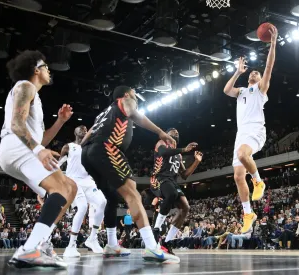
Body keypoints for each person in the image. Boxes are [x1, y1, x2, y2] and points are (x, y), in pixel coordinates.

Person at [80, 85, 180, 263]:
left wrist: (83, 153)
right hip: (107, 149)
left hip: (88, 154)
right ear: (126, 95)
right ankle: (152, 247)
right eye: (134, 94)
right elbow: (134, 114)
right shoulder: (125, 101)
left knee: (111, 198)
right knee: (132, 193)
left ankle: (111, 244)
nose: (136, 98)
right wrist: (159, 132)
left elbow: (88, 134)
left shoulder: (103, 113)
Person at [0, 50, 77, 268]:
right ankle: (30, 249)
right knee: (61, 188)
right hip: (16, 146)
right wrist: (38, 151)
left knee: (70, 188)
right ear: (36, 70)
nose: (49, 70)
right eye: (46, 67)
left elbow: (40, 138)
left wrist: (60, 122)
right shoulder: (26, 86)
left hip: (17, 150)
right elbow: (16, 124)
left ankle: (41, 243)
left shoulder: (36, 97)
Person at [222, 25, 278, 233]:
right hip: (241, 133)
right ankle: (248, 213)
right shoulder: (242, 91)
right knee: (237, 176)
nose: (255, 73)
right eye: (253, 72)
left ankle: (258, 181)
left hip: (255, 130)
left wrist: (272, 44)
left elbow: (270, 67)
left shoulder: (260, 89)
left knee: (242, 154)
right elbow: (226, 90)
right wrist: (237, 72)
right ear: (248, 77)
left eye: (257, 72)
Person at [150, 128, 203, 254]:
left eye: (178, 132)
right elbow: (163, 152)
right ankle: (156, 229)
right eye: (172, 131)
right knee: (172, 194)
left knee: (185, 207)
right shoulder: (161, 143)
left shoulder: (178, 156)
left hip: (172, 181)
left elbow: (184, 175)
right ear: (166, 135)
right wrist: (185, 149)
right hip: (159, 178)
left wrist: (196, 162)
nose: (176, 132)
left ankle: (167, 242)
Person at [60, 126, 107, 257]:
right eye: (80, 129)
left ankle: (92, 238)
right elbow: (58, 165)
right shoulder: (68, 147)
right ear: (75, 132)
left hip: (87, 180)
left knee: (103, 202)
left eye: (86, 129)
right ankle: (71, 245)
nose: (83, 130)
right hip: (73, 181)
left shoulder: (90, 147)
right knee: (82, 207)